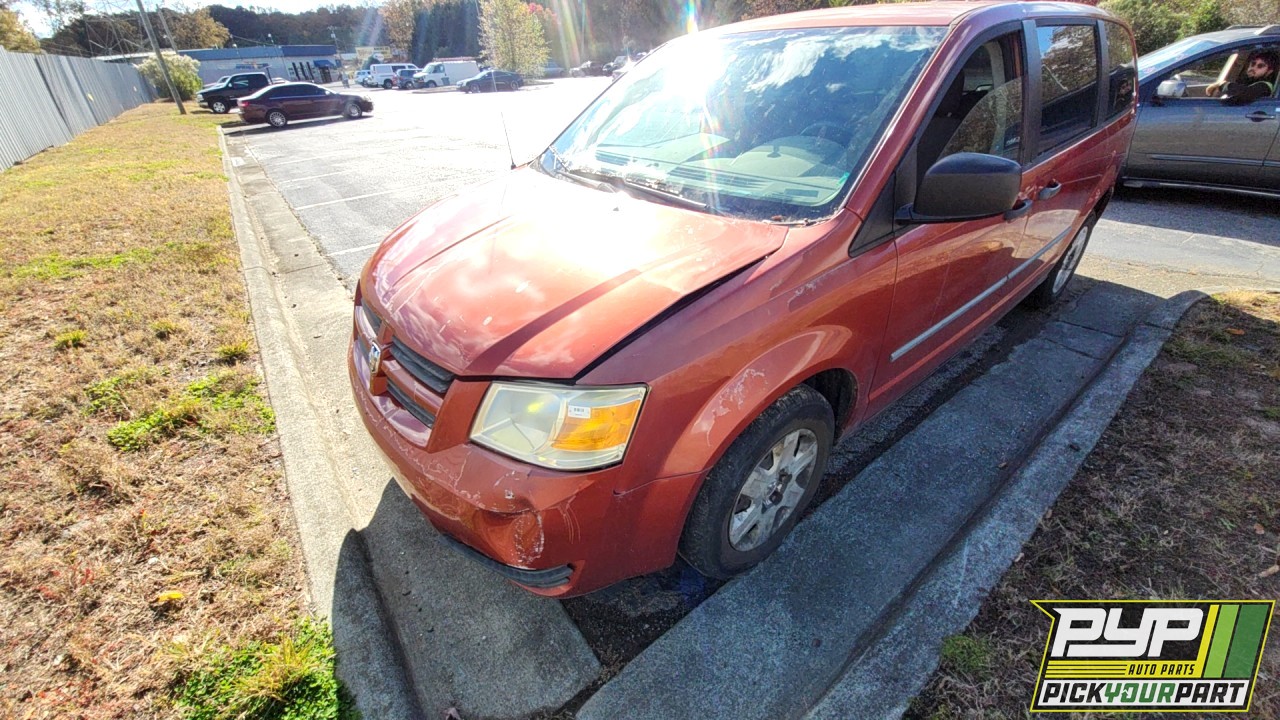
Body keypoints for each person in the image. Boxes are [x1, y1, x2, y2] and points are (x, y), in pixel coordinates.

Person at [1207, 49, 1278, 104]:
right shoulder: (1245, 81)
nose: (1254, 68)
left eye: (1260, 66)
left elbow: (1245, 93)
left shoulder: (1265, 86)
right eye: (1253, 64)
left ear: (1269, 71)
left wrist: (1222, 84)